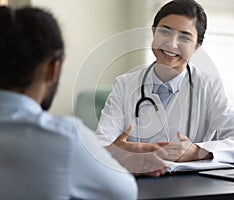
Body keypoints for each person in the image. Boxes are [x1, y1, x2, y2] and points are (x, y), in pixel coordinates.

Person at [0, 6, 166, 200]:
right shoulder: (64, 138)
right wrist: (108, 160)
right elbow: (125, 192)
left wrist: (103, 154)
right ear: (53, 69)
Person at [96, 0, 234, 163]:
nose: (172, 44)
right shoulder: (125, 85)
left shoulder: (208, 87)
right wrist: (117, 150)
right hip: (137, 182)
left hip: (189, 186)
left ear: (197, 46)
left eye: (184, 37)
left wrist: (197, 151)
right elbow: (101, 143)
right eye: (165, 32)